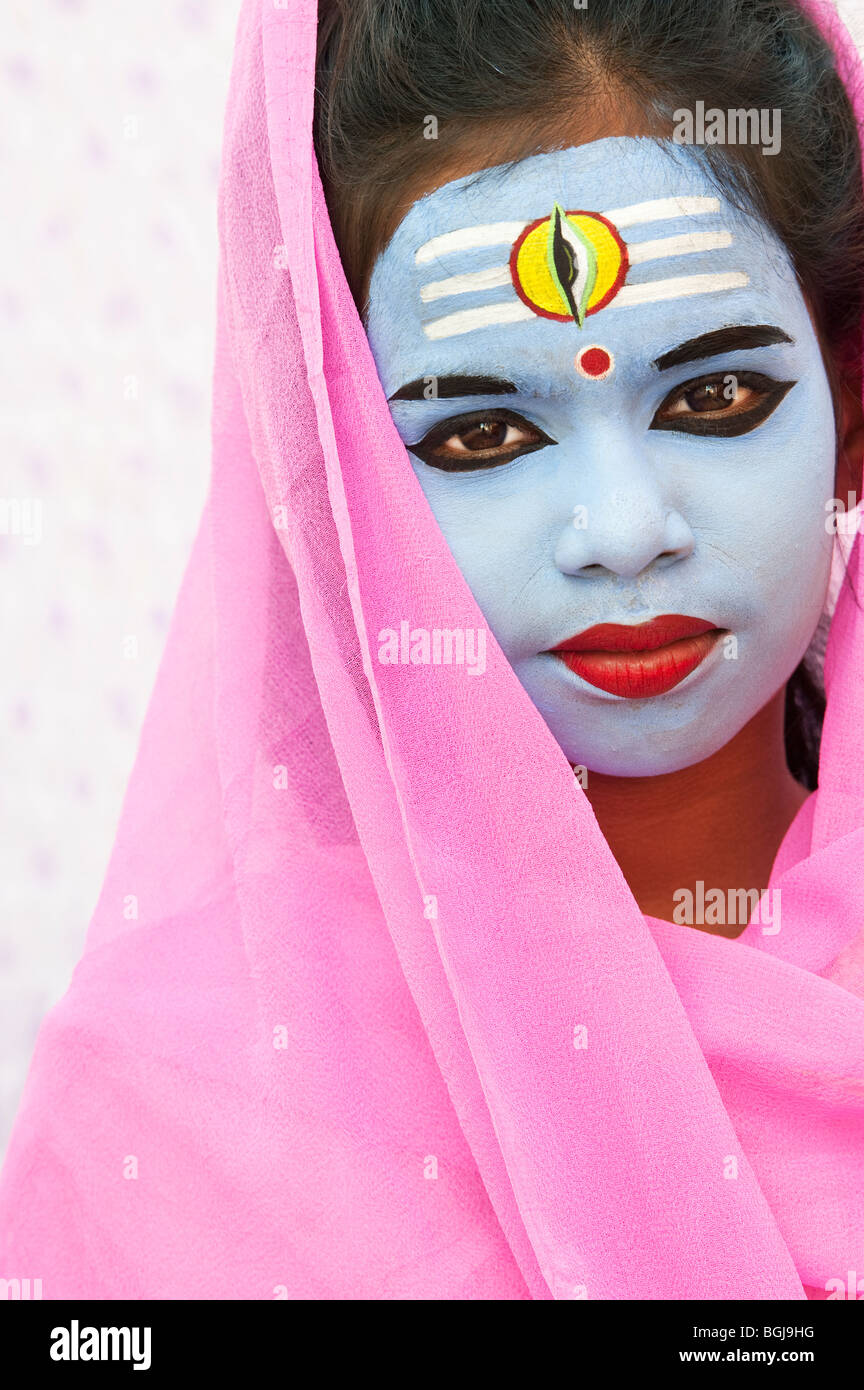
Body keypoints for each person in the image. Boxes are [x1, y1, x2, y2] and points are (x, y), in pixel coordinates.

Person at [1, 0, 863, 1301]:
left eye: (713, 396)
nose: (623, 532)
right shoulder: (177, 1103)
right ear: (336, 475)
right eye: (482, 437)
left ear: (854, 396)